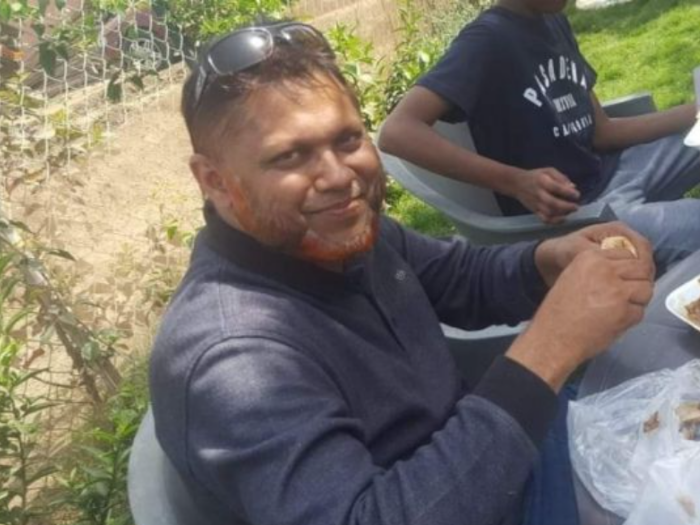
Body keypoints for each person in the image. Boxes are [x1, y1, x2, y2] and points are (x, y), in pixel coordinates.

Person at [149, 20, 655, 525]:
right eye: (290, 156)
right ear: (214, 180)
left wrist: (546, 259)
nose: (339, 177)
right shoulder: (234, 363)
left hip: (498, 454)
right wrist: (551, 348)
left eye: (348, 139)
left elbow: (457, 275)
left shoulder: (333, 235)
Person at [378, 0, 700, 273]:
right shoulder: (486, 40)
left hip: (613, 171)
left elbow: (603, 132)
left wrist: (695, 111)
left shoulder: (552, 20)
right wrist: (516, 181)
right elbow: (398, 132)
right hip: (579, 214)